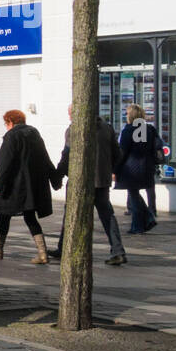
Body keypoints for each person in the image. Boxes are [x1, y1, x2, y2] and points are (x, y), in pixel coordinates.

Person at [48, 105, 126, 266]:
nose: (69, 117)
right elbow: (118, 154)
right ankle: (118, 251)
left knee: (70, 214)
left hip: (80, 181)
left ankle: (63, 248)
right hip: (102, 180)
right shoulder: (107, 128)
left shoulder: (74, 130)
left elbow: (66, 156)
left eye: (70, 114)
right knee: (107, 215)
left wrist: (57, 176)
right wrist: (110, 170)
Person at [0, 109, 58, 264]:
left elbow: (5, 163)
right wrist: (54, 177)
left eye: (5, 123)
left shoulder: (11, 136)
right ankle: (43, 253)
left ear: (10, 122)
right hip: (32, 186)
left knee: (4, 215)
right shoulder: (34, 133)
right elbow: (45, 157)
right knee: (30, 217)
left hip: (14, 186)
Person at [115, 104, 163, 235]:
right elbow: (156, 147)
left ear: (131, 116)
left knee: (134, 195)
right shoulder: (150, 129)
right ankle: (147, 219)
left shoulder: (128, 130)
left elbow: (122, 152)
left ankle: (139, 225)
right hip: (147, 168)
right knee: (135, 195)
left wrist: (115, 169)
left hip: (131, 169)